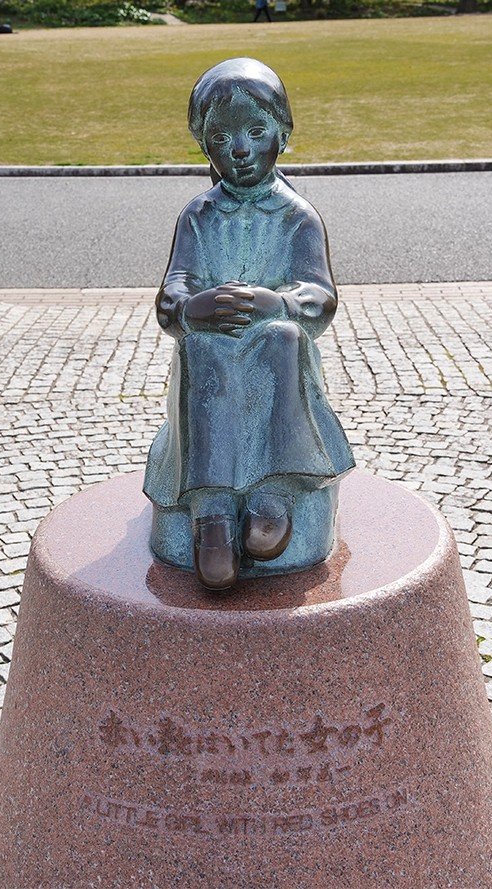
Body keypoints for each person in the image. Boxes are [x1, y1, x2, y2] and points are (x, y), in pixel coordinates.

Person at [144, 58, 354, 589]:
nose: (240, 149)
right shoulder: (197, 217)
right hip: (213, 344)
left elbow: (319, 296)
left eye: (256, 132)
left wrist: (275, 304)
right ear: (205, 148)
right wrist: (191, 309)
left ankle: (275, 488)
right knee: (202, 352)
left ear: (281, 136)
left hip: (274, 339)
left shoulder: (297, 217)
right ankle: (210, 509)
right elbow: (175, 287)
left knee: (281, 341)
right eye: (222, 137)